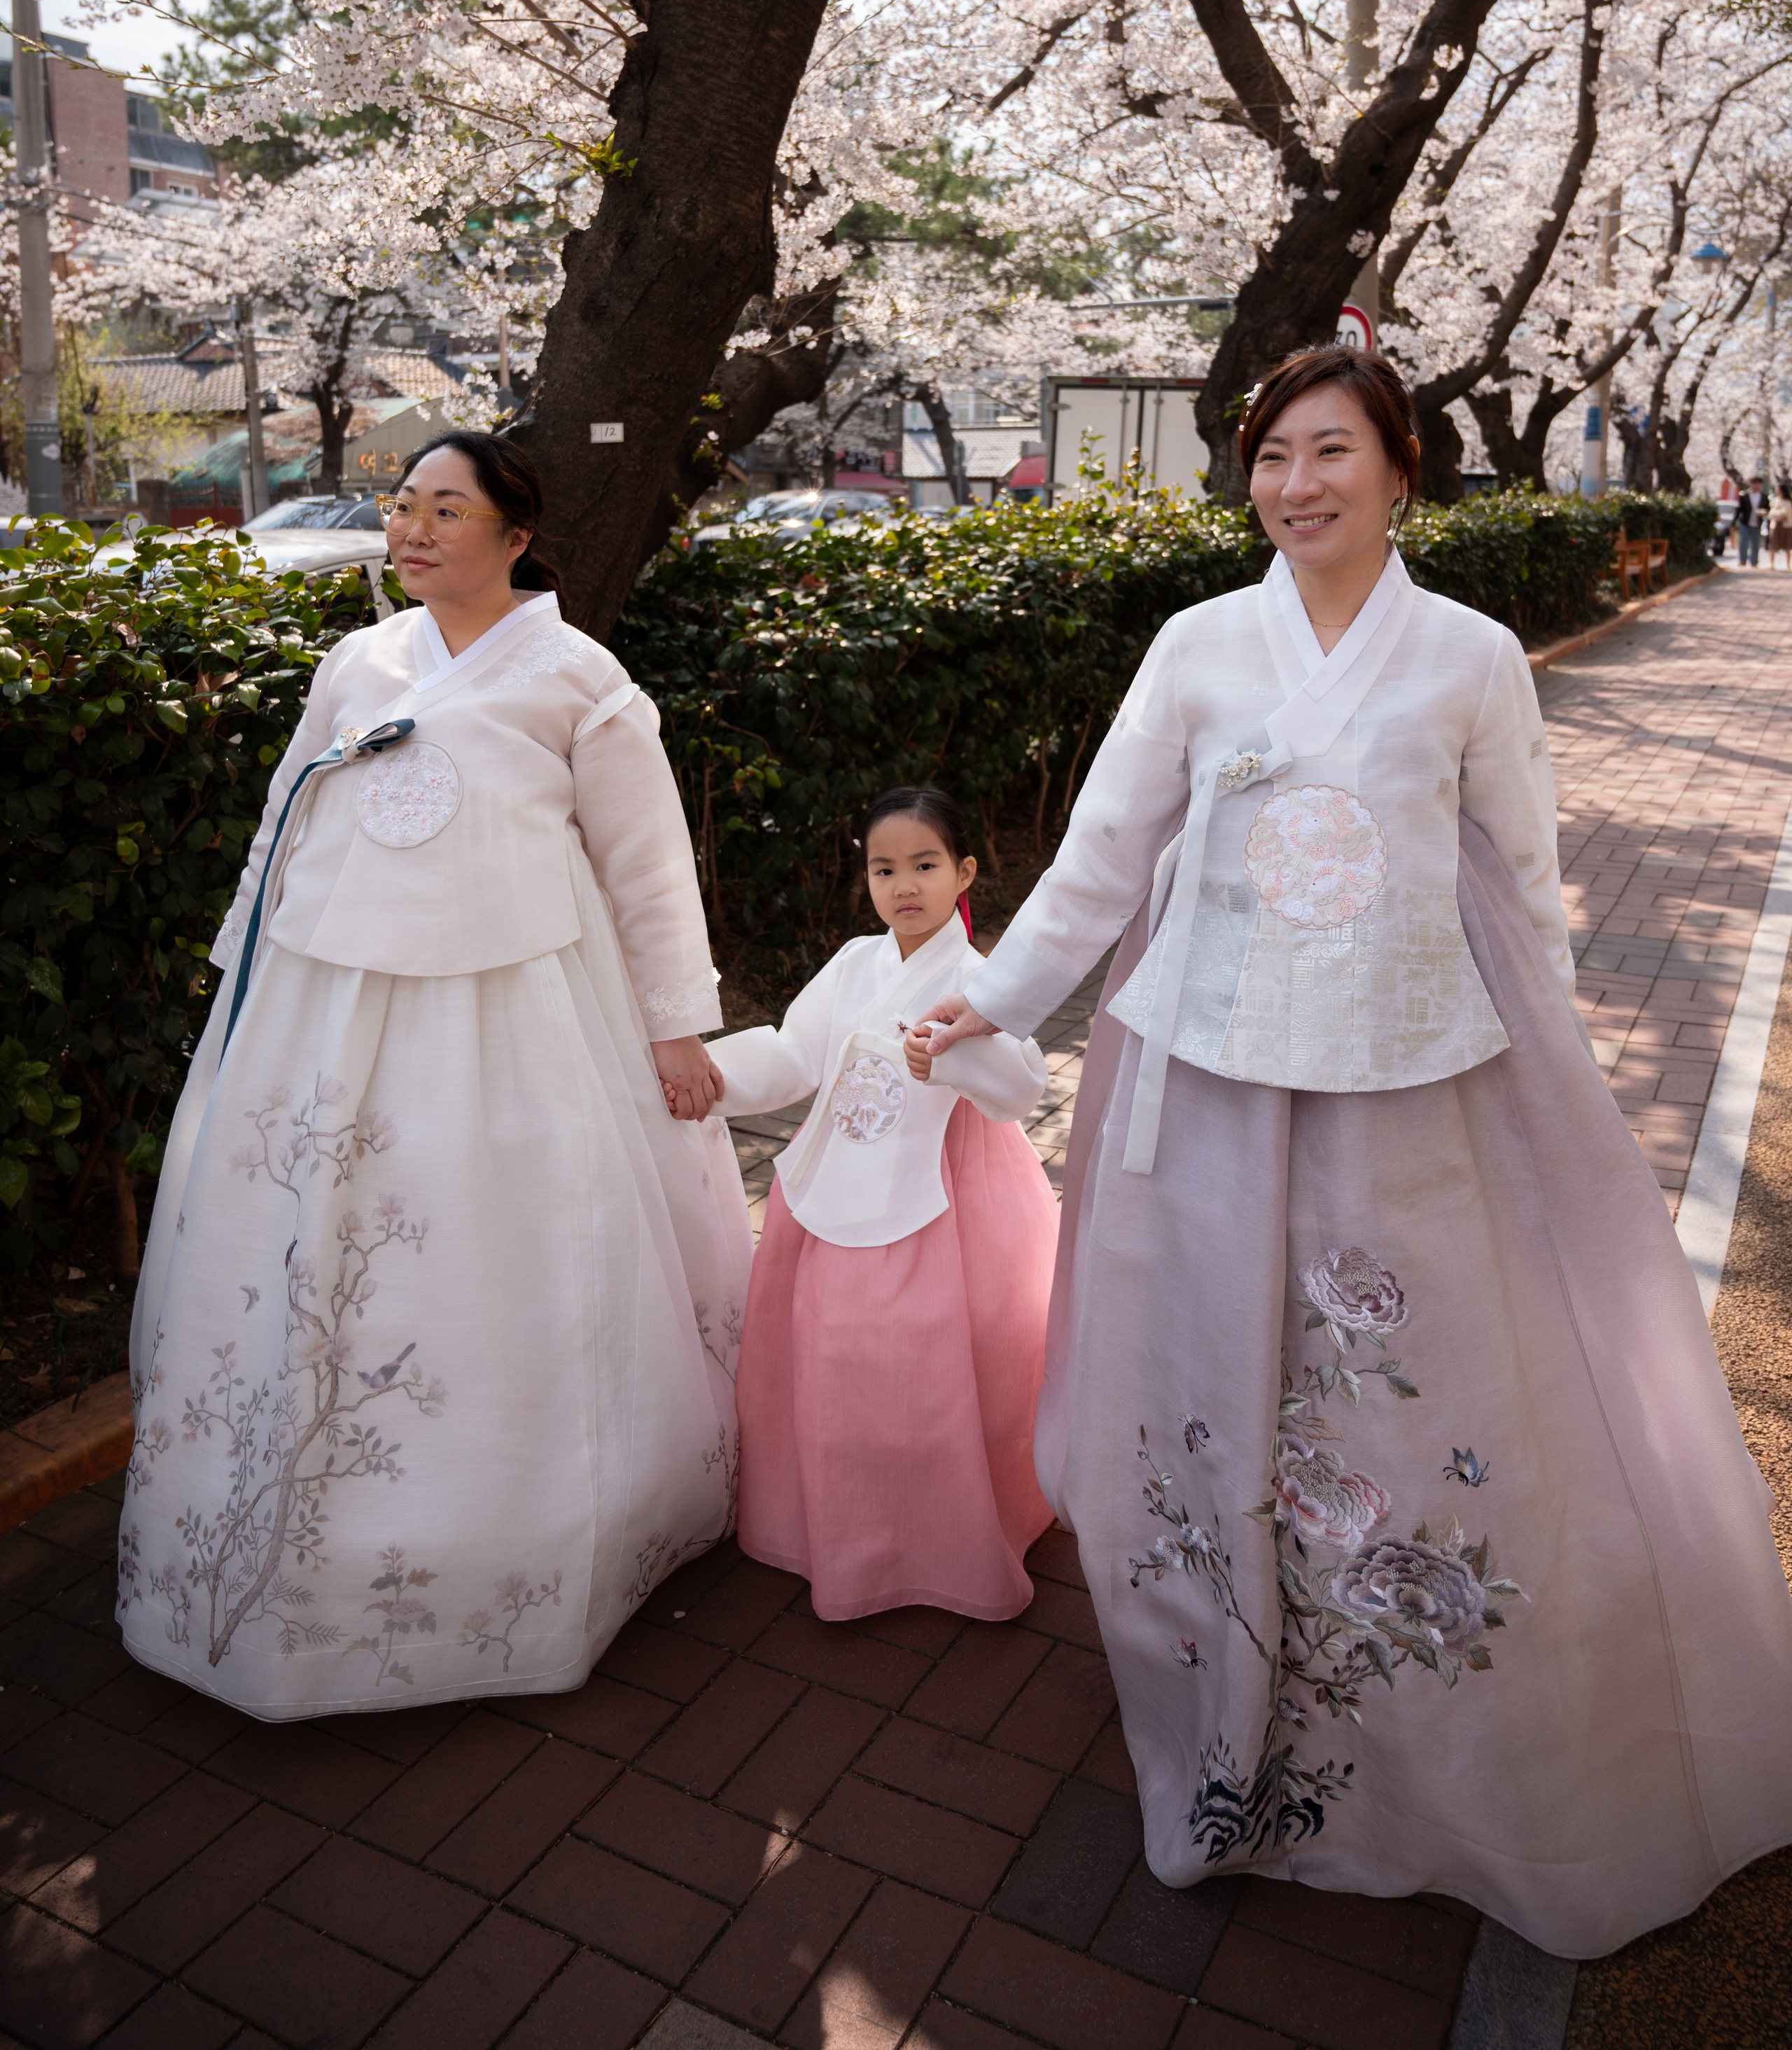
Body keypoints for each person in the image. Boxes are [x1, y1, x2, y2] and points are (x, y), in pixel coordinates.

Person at [920, 347, 1792, 1961]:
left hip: (1404, 1086)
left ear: (1401, 466)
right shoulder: (1195, 644)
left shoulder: (1466, 658)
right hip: (1208, 1082)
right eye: (1268, 454)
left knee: (1391, 1381)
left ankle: (1404, 1719)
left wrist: (1553, 1077)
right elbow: (1102, 852)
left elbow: (1523, 888)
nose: (1293, 481)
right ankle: (1222, 1684)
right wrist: (979, 999)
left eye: (1329, 450)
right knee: (1212, 1371)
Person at [118, 433, 752, 1719]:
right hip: (328, 1002)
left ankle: (524, 1539)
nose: (411, 529)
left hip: (520, 1008)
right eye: (402, 505)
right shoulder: (359, 660)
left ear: (517, 533)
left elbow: (648, 863)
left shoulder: (579, 675)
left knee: (503, 1242)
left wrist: (679, 1024)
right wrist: (240, 964)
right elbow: (286, 818)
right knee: (314, 1239)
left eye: (444, 508)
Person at [707, 787, 1058, 1620]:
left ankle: (945, 1529)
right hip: (836, 1182)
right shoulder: (856, 963)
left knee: (940, 1362)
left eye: (925, 865)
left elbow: (1021, 1087)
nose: (904, 884)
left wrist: (953, 1057)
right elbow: (796, 1054)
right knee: (833, 1353)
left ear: (964, 871)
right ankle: (842, 1521)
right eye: (884, 868)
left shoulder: (982, 979)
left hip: (952, 1194)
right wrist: (710, 1079)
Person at [1735, 477, 1763, 566]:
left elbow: (1767, 509)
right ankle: (1742, 560)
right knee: (1743, 542)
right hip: (1745, 523)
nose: (1756, 485)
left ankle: (1754, 562)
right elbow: (1738, 510)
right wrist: (1734, 522)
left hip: (1757, 524)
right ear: (1751, 484)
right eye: (1754, 483)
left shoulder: (1764, 497)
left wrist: (1763, 512)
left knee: (1755, 544)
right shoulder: (1744, 496)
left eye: (1758, 483)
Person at [1770, 487, 1792, 570]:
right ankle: (1772, 564)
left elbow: (1784, 513)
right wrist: (1776, 513)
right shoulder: (1775, 501)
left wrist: (1775, 513)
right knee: (1773, 545)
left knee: (1787, 546)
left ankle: (1788, 565)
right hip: (1776, 525)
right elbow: (1772, 512)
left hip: (1786, 526)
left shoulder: (1788, 502)